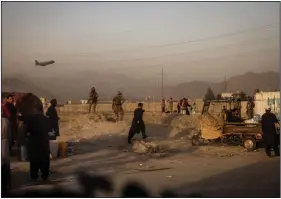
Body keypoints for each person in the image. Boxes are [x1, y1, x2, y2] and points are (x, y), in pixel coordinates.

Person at [19, 103, 54, 181]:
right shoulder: (46, 119)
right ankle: (45, 175)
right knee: (44, 159)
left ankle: (34, 175)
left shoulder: (30, 119)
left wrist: (25, 139)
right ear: (42, 110)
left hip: (33, 143)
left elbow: (24, 131)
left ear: (35, 110)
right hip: (44, 143)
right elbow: (52, 133)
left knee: (34, 160)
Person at [1, 115, 12, 192]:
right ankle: (5, 184)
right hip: (4, 142)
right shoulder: (5, 121)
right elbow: (9, 134)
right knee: (5, 164)